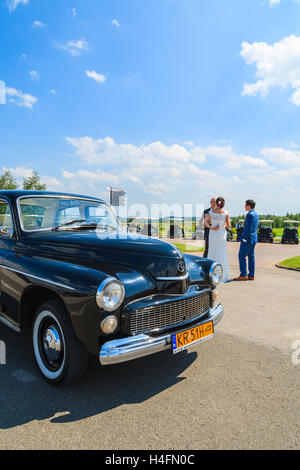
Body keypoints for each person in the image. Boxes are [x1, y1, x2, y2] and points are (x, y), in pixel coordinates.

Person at [204, 196, 231, 283]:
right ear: (223, 204)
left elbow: (204, 222)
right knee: (222, 253)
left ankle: (211, 274)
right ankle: (222, 275)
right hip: (221, 235)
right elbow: (229, 226)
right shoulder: (226, 213)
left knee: (211, 252)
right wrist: (224, 225)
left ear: (217, 203)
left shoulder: (211, 212)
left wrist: (212, 227)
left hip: (213, 234)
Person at [234, 199, 259, 281]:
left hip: (247, 239)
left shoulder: (249, 215)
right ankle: (251, 275)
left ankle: (243, 274)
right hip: (253, 239)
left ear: (248, 205)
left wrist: (243, 239)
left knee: (241, 256)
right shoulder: (256, 214)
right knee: (251, 257)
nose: (244, 206)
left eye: (245, 205)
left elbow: (248, 229)